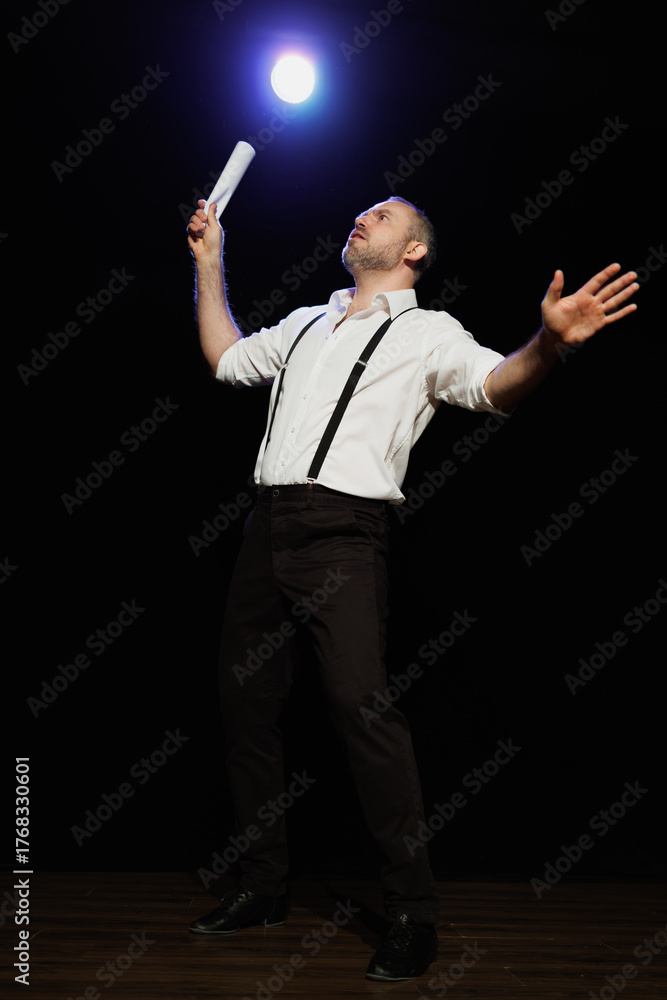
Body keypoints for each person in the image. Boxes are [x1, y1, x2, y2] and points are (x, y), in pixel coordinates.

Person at [185, 194, 638, 982]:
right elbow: (226, 359)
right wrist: (209, 261)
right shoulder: (305, 322)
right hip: (266, 528)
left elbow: (492, 385)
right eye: (362, 212)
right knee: (245, 708)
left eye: (383, 216)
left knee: (362, 712)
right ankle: (262, 885)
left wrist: (548, 343)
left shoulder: (428, 332)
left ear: (414, 250)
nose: (361, 218)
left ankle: (410, 913)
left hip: (344, 533)